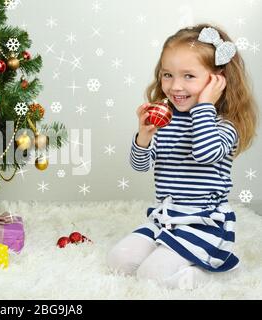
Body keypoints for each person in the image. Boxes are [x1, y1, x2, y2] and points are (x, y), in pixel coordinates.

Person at [107, 24, 258, 289]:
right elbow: (140, 165)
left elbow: (206, 154)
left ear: (216, 80)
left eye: (189, 76)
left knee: (151, 275)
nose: (175, 86)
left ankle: (217, 272)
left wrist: (205, 106)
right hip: (165, 219)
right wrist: (144, 136)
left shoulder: (223, 126)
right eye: (168, 75)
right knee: (118, 261)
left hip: (205, 224)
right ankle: (175, 254)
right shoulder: (165, 121)